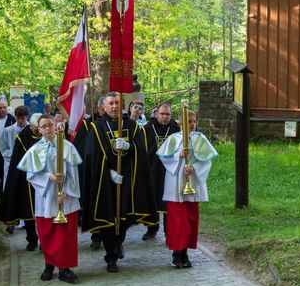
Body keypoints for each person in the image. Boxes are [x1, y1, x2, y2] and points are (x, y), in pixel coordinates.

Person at [81, 92, 157, 273]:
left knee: (124, 218)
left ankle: (118, 244)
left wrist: (130, 147)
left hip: (128, 181)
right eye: (111, 104)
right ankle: (111, 256)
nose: (115, 106)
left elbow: (141, 151)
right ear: (104, 107)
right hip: (105, 181)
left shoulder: (131, 125)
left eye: (117, 103)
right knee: (108, 218)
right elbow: (92, 155)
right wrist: (109, 172)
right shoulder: (97, 127)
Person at [17, 114, 83, 283]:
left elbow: (74, 172)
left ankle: (65, 268)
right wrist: (49, 178)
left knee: (65, 235)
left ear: (56, 126)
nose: (48, 128)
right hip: (46, 196)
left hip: (65, 197)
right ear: (39, 130)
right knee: (48, 232)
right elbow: (31, 175)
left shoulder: (67, 146)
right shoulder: (34, 150)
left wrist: (67, 191)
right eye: (44, 126)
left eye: (50, 125)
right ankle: (49, 265)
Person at [157, 110, 218, 268]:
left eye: (193, 121)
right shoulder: (173, 139)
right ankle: (176, 253)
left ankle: (185, 253)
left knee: (190, 219)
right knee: (177, 220)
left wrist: (195, 169)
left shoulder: (200, 139)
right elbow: (164, 157)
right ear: (179, 123)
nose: (191, 124)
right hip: (176, 182)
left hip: (193, 182)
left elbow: (207, 161)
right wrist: (178, 155)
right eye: (188, 121)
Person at [0, 112, 42, 250]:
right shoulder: (23, 136)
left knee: (45, 212)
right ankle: (32, 239)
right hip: (27, 179)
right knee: (28, 209)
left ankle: (46, 240)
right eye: (37, 127)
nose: (38, 130)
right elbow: (19, 159)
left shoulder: (48, 135)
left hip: (46, 179)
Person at [142, 102, 180, 240]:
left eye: (167, 114)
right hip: (152, 169)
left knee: (169, 202)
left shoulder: (176, 130)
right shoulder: (147, 129)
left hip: (171, 172)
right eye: (162, 114)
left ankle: (169, 231)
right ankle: (152, 228)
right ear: (156, 114)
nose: (164, 117)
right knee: (152, 200)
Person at [0, 106, 30, 233]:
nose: (20, 121)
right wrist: (12, 156)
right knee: (11, 191)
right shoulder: (8, 131)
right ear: (15, 117)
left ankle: (25, 220)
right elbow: (3, 147)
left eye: (23, 118)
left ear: (26, 117)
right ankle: (10, 222)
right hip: (11, 166)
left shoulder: (32, 131)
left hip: (27, 167)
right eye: (18, 118)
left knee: (25, 194)